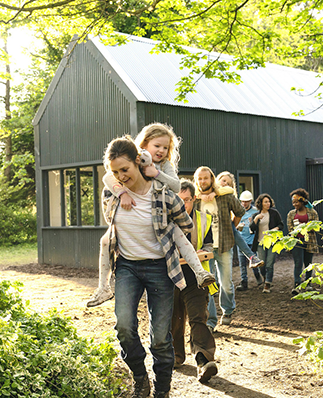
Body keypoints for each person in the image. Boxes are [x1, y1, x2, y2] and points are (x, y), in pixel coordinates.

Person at [102, 136, 192, 398]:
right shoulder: (112, 192)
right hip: (127, 267)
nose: (121, 175)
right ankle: (140, 378)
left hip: (160, 269)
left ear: (137, 162)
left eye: (125, 170)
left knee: (161, 338)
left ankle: (162, 389)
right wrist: (120, 189)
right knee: (124, 326)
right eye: (115, 171)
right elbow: (110, 222)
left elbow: (187, 225)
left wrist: (173, 237)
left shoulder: (162, 193)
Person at [87, 123, 215, 307]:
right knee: (105, 241)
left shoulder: (164, 165)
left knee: (179, 236)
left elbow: (176, 186)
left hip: (161, 212)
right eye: (157, 145)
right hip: (133, 217)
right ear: (145, 143)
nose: (161, 150)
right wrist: (121, 192)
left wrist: (156, 173)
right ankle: (103, 287)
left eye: (166, 147)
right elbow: (108, 177)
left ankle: (199, 272)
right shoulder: (134, 159)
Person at [173, 179, 218, 383]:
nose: (184, 205)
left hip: (196, 278)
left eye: (187, 200)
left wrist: (204, 252)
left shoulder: (203, 220)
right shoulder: (164, 219)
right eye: (179, 200)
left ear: (194, 200)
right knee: (174, 319)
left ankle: (203, 360)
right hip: (170, 278)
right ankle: (175, 356)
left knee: (198, 317)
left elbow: (209, 246)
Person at [194, 166, 245, 328]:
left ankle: (228, 309)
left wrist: (232, 227)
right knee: (207, 284)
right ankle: (210, 320)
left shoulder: (225, 196)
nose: (203, 181)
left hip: (224, 245)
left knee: (226, 282)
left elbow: (240, 211)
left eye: (206, 178)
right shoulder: (195, 199)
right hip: (205, 249)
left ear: (211, 179)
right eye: (200, 178)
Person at [215, 171, 264, 269]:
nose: (225, 184)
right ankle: (252, 256)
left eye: (228, 183)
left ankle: (251, 257)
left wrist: (233, 224)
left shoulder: (228, 195)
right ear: (217, 180)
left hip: (225, 225)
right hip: (212, 226)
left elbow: (239, 212)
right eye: (223, 180)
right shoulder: (209, 193)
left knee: (233, 229)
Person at [286, 188, 319, 294]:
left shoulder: (312, 212)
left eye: (296, 202)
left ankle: (308, 283)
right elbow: (290, 228)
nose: (295, 204)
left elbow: (316, 226)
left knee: (308, 263)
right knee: (298, 262)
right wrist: (296, 231)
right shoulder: (291, 214)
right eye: (293, 202)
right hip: (297, 241)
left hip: (309, 240)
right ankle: (297, 284)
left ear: (302, 201)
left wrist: (306, 228)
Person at [250, 193, 284, 293]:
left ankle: (268, 283)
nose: (268, 204)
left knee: (269, 264)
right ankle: (265, 277)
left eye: (269, 201)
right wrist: (256, 219)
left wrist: (275, 229)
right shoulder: (256, 215)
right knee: (262, 264)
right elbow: (252, 228)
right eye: (265, 202)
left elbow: (281, 224)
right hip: (260, 243)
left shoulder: (274, 213)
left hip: (272, 242)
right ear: (260, 203)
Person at [234, 190, 264, 291]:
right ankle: (244, 282)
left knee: (254, 261)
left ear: (250, 201)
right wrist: (238, 227)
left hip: (252, 241)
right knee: (242, 263)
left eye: (246, 201)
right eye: (242, 201)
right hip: (241, 241)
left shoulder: (255, 211)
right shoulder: (238, 212)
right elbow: (234, 224)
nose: (244, 203)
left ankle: (258, 276)